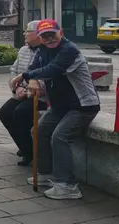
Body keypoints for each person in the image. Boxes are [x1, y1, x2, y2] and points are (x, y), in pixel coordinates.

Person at [11, 19, 100, 200]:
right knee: (38, 130)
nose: (49, 38)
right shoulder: (43, 50)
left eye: (52, 33)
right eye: (44, 35)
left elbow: (53, 69)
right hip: (60, 105)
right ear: (40, 38)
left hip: (82, 105)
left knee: (59, 136)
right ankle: (46, 173)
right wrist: (32, 78)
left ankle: (68, 185)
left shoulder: (70, 50)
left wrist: (26, 76)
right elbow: (35, 68)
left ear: (61, 32)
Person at [0, 20, 47, 166]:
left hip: (40, 96)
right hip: (21, 92)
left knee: (20, 113)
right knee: (4, 112)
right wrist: (16, 88)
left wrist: (29, 92)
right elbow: (14, 70)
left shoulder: (46, 52)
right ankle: (24, 147)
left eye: (28, 31)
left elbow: (47, 78)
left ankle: (30, 151)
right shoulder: (23, 50)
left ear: (38, 34)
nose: (25, 34)